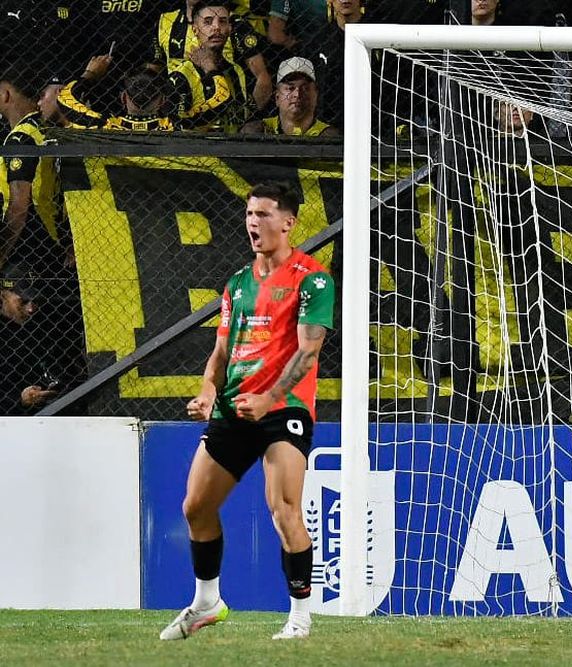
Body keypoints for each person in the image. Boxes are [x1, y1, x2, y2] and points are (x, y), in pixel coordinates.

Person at [159, 182, 335, 641]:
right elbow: (219, 355)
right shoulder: (236, 285)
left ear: (288, 222)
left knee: (284, 510)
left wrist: (270, 398)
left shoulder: (312, 278)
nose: (253, 222)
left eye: (262, 214)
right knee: (195, 507)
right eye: (248, 214)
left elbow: (308, 353)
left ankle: (299, 616)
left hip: (284, 409)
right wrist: (206, 393)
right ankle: (207, 602)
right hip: (235, 407)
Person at [0, 67, 71, 277]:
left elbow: (19, 207)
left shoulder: (21, 137)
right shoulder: (47, 127)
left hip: (27, 242)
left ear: (6, 95)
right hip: (57, 238)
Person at [151, 0, 273, 111]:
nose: (216, 27)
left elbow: (262, 77)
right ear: (195, 29)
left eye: (221, 22)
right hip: (181, 112)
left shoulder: (234, 23)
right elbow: (155, 71)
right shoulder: (165, 21)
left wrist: (251, 116)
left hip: (229, 113)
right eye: (208, 22)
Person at [0, 263, 87, 416]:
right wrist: (19, 399)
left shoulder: (43, 322)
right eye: (23, 301)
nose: (31, 309)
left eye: (36, 301)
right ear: (3, 294)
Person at [241, 57, 336, 136]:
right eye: (290, 88)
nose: (297, 94)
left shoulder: (329, 136)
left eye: (305, 88)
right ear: (277, 97)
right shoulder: (257, 131)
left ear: (316, 96)